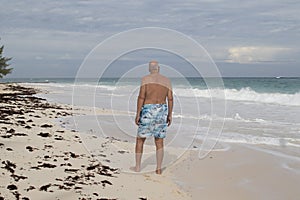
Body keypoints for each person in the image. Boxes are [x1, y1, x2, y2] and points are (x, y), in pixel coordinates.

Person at [132, 60, 173, 174]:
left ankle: (138, 167)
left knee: (140, 139)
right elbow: (170, 98)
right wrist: (170, 114)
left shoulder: (145, 79)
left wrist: (138, 113)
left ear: (149, 69)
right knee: (159, 141)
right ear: (158, 68)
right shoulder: (166, 80)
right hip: (162, 109)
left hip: (148, 109)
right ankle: (159, 168)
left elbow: (141, 97)